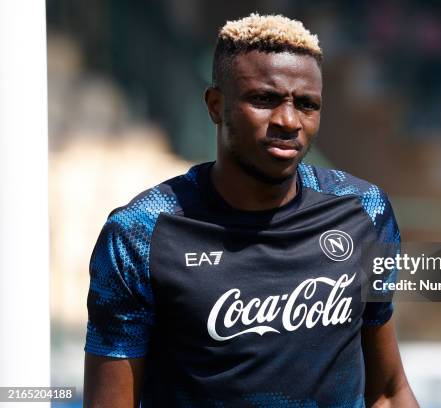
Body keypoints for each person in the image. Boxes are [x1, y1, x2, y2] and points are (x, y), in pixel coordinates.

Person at [84, 13, 419, 408]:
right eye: (264, 99)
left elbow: (388, 391)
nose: (288, 121)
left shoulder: (365, 213)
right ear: (215, 105)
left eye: (307, 105)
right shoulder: (139, 235)